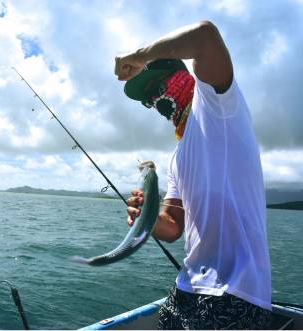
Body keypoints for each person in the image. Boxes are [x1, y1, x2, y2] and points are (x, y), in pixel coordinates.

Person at [115, 21, 272, 329]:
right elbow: (172, 227)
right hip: (186, 288)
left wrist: (139, 55)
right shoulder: (177, 157)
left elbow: (205, 36)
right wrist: (146, 215)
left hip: (236, 293)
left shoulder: (218, 105)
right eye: (148, 99)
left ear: (183, 77)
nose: (155, 102)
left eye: (157, 87)